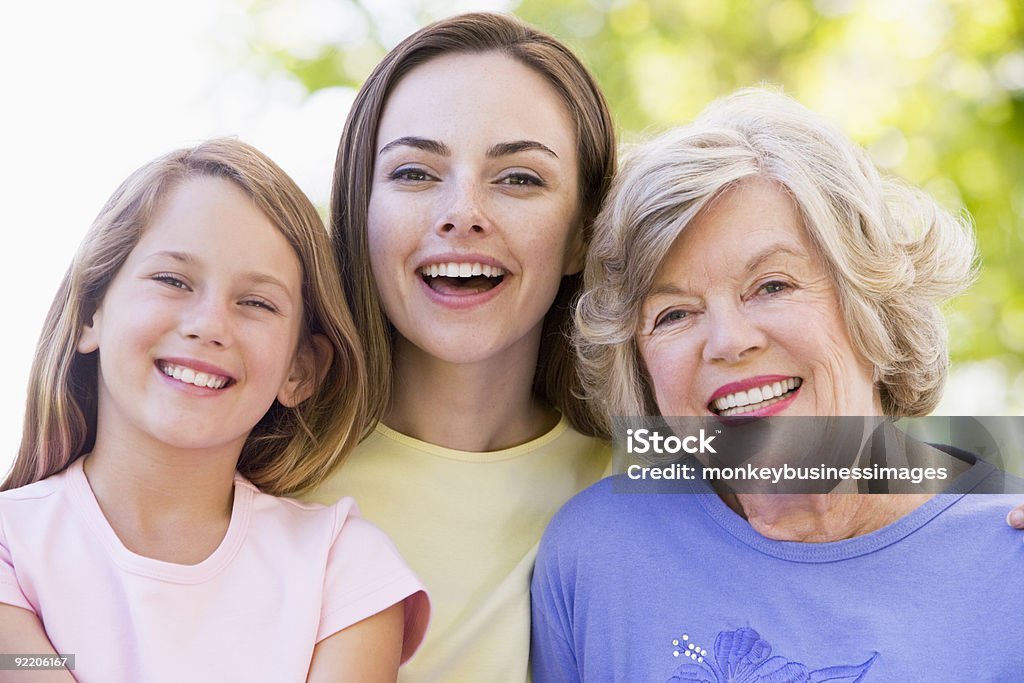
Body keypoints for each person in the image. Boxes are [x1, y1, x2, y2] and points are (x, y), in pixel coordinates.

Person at [532, 89, 1024, 680]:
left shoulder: (1009, 549)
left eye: (772, 285)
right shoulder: (597, 554)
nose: (727, 341)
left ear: (869, 300)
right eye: (674, 314)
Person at [0, 139, 428, 682]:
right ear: (90, 313)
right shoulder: (11, 547)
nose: (208, 325)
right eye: (172, 280)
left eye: (256, 303)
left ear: (300, 370)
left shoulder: (343, 569)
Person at [299, 12, 615, 681]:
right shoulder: (266, 463)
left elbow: (889, 458)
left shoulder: (647, 467)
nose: (462, 211)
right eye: (415, 173)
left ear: (584, 232)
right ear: (360, 212)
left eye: (520, 178)